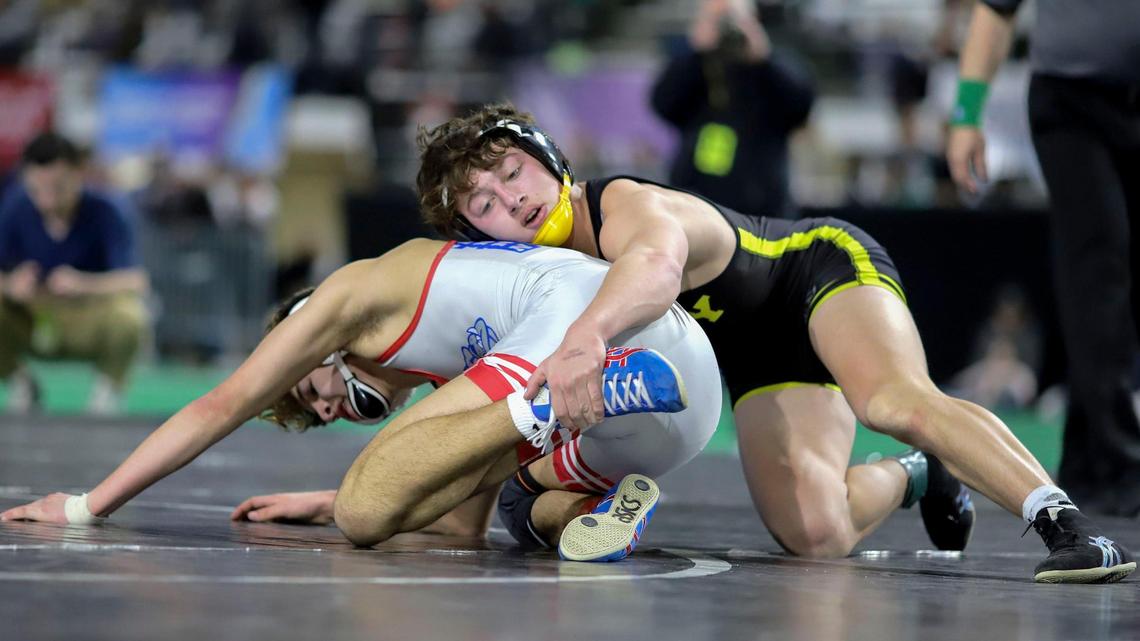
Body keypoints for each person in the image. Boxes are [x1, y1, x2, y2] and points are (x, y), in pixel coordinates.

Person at [415, 104, 1134, 583]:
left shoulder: (624, 205)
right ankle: (921, 473)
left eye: (512, 173)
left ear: (547, 158)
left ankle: (1065, 524)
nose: (511, 199)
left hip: (813, 271)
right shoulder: (532, 277)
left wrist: (583, 339)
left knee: (892, 398)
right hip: (756, 352)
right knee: (816, 534)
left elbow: (656, 270)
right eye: (484, 204)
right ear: (479, 234)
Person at [1, 238, 722, 562]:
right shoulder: (455, 375)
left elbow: (221, 402)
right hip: (672, 413)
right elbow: (457, 529)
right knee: (512, 512)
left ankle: (560, 402)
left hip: (590, 326)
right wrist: (319, 497)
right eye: (324, 416)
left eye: (315, 388)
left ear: (318, 346)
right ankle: (605, 507)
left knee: (364, 508)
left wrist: (83, 507)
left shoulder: (349, 294)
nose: (331, 408)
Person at [945, 1, 1140, 518]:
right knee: (1100, 270)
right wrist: (966, 114)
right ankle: (1115, 463)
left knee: (1115, 281)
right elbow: (995, 11)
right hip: (1072, 104)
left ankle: (1091, 457)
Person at [0, 131, 148, 415]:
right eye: (37, 189)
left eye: (57, 187)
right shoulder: (16, 207)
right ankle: (21, 384)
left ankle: (107, 393)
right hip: (33, 318)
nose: (46, 198)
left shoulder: (107, 210)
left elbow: (136, 280)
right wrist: (11, 285)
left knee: (131, 316)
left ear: (78, 174)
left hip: (86, 317)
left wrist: (83, 283)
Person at [650, 0, 814, 219]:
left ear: (754, 20)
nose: (725, 26)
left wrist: (763, 59)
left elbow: (801, 104)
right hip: (698, 204)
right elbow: (662, 103)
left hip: (762, 209)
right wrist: (697, 52)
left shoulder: (771, 67)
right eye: (717, 18)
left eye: (732, 17)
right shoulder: (696, 67)